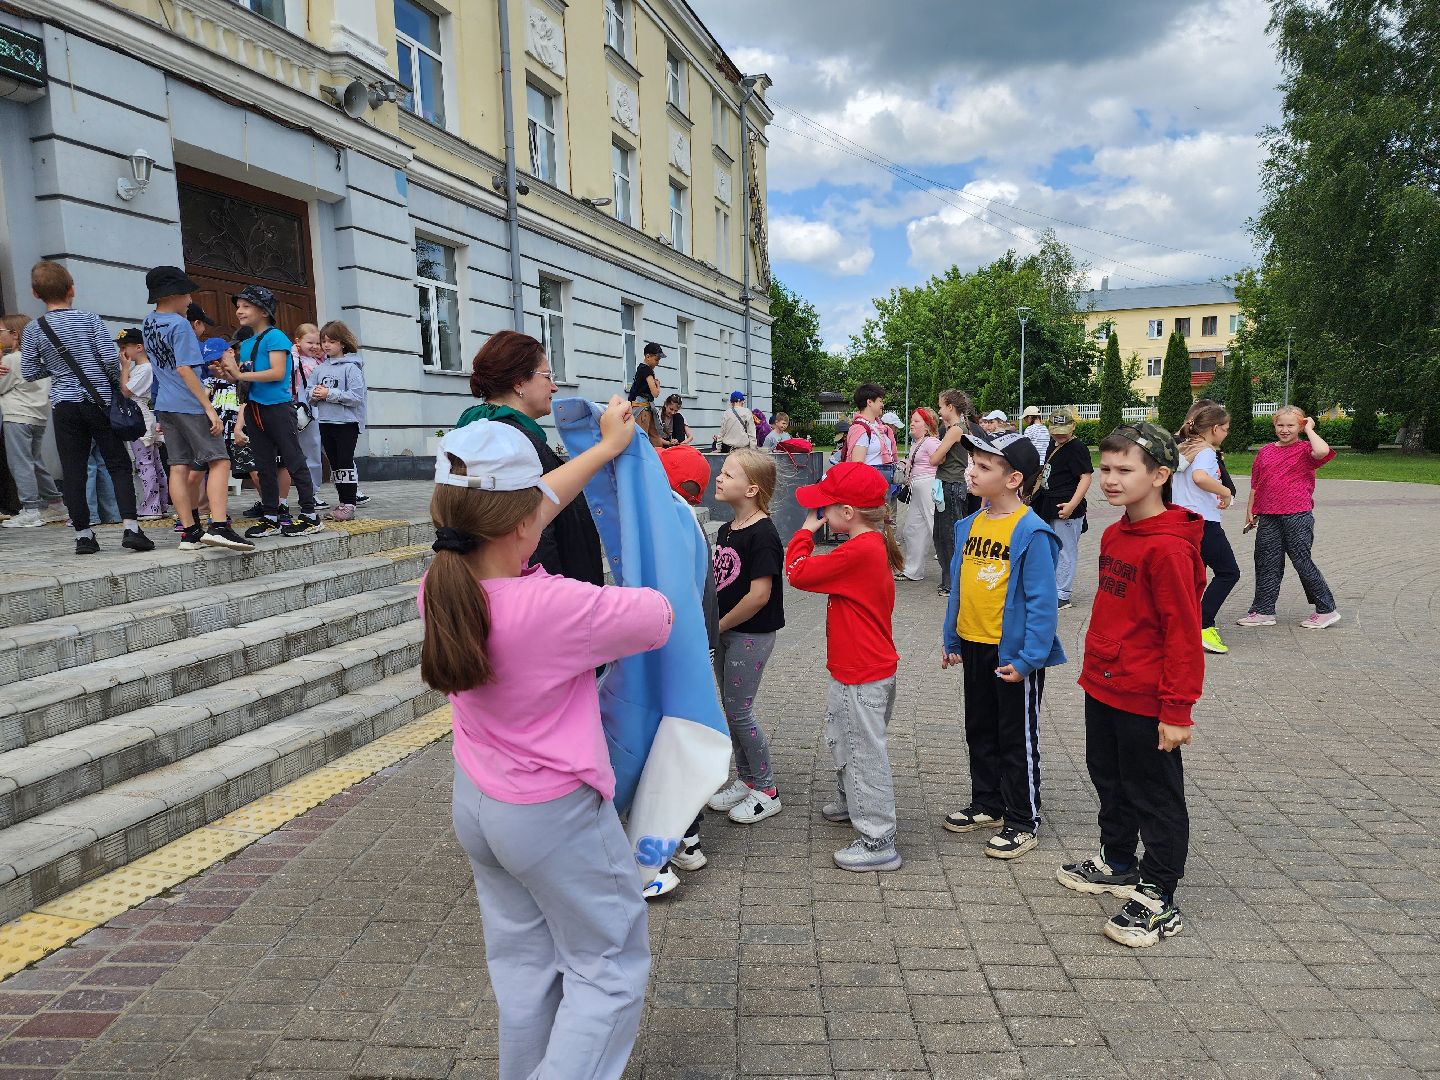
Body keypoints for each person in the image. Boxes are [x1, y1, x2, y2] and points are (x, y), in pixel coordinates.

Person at [420, 398, 664, 1080]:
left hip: (478, 805)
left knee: (524, 969)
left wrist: (602, 450)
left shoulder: (442, 586)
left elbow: (521, 513)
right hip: (552, 816)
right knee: (608, 970)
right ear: (524, 523)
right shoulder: (558, 607)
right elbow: (658, 615)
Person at [1059, 422, 1204, 948]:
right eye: (1105, 469)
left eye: (1125, 470)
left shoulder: (1169, 549)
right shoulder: (1119, 532)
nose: (1111, 479)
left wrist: (1177, 709)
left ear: (1161, 475)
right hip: (1103, 683)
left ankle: (1159, 895)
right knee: (1109, 777)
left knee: (1154, 793)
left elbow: (1184, 636)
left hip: (1147, 695)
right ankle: (1118, 859)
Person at [939, 427, 1063, 860]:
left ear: (1013, 479)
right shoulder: (968, 524)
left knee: (1016, 736)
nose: (971, 472)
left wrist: (1030, 658)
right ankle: (988, 802)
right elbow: (959, 586)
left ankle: (1023, 818)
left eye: (983, 466)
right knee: (980, 728)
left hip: (1013, 654)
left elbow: (1043, 604)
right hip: (974, 644)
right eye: (972, 463)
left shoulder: (1032, 531)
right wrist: (951, 636)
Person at [784, 462, 904, 872]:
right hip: (862, 668)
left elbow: (797, 573)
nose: (820, 514)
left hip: (862, 673)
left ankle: (877, 839)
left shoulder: (857, 550)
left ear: (848, 513)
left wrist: (804, 531)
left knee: (862, 749)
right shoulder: (870, 543)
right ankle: (851, 801)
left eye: (826, 508)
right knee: (844, 735)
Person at [19, 260, 153, 555]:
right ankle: (131, 528)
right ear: (72, 289)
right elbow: (109, 360)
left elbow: (29, 372)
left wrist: (57, 370)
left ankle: (83, 534)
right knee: (117, 462)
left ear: (35, 293)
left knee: (74, 468)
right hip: (100, 401)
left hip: (64, 404)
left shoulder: (33, 329)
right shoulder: (89, 319)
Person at [458, 330, 603, 587]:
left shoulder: (486, 433)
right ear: (518, 382)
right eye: (547, 376)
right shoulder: (509, 442)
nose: (554, 386)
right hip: (547, 606)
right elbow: (535, 544)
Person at [142, 266, 252, 551]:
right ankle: (218, 526)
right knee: (219, 460)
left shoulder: (149, 322)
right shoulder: (179, 325)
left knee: (178, 466)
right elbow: (185, 369)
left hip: (164, 403)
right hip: (188, 402)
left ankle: (190, 533)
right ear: (174, 294)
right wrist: (209, 408)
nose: (190, 299)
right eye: (187, 293)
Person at [705, 448, 786, 826]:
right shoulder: (725, 530)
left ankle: (767, 790)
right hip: (726, 633)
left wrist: (718, 626)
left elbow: (759, 595)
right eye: (721, 472)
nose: (719, 478)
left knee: (740, 712)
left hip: (749, 634)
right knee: (732, 710)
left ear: (752, 489)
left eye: (728, 474)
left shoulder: (764, 533)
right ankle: (747, 778)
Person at [223, 284, 322, 540]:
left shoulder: (276, 337)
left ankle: (310, 515)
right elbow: (247, 380)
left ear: (264, 311)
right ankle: (271, 516)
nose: (239, 312)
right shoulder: (246, 343)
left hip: (277, 408)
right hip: (255, 408)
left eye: (246, 306)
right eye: (238, 307)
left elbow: (277, 372)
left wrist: (240, 374)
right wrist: (229, 375)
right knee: (263, 463)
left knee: (293, 459)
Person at [1238, 406, 1340, 630]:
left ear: (1300, 426)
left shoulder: (1306, 449)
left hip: (1297, 514)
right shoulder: (1265, 451)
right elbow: (1256, 484)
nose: (1285, 430)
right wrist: (1250, 511)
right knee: (1266, 562)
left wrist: (1310, 429)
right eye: (1280, 425)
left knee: (1301, 561)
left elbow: (1323, 451)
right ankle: (1263, 611)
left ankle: (1326, 609)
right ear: (1274, 425)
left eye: (1291, 425)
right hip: (1268, 515)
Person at [1172, 404, 1240, 654]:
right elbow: (1200, 477)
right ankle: (1203, 624)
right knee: (1229, 572)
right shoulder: (1206, 451)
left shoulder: (1184, 448)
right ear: (1214, 428)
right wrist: (1225, 491)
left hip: (1182, 520)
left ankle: (1181, 626)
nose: (1226, 433)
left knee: (1192, 576)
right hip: (1203, 523)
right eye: (1225, 429)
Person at [0, 314, 65, 528]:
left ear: (14, 334)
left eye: (1, 332)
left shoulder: (10, 360)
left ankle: (30, 509)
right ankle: (55, 503)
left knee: (20, 463)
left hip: (17, 415)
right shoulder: (38, 357)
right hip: (38, 416)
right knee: (35, 461)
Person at [1032, 413, 1093, 610]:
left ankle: (1062, 594)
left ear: (1073, 427)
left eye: (1063, 432)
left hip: (1065, 506)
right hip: (1049, 503)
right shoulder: (1054, 442)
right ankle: (1052, 587)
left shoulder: (1077, 447)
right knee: (1050, 549)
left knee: (1065, 550)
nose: (1060, 436)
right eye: (1056, 432)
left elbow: (1085, 477)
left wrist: (1072, 505)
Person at [313, 320, 367, 521]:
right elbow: (310, 392)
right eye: (323, 341)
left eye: (332, 341)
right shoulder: (319, 369)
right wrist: (315, 394)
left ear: (343, 343)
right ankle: (343, 502)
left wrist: (329, 393)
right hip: (325, 422)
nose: (326, 345)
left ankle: (350, 503)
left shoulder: (351, 368)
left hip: (346, 424)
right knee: (335, 464)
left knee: (345, 462)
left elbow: (356, 397)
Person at [117, 328, 169, 520]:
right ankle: (160, 504)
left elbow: (125, 391)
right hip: (144, 420)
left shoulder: (145, 368)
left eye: (124, 348)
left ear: (139, 347)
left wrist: (124, 368)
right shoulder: (143, 368)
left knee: (145, 464)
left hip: (140, 422)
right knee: (154, 463)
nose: (122, 353)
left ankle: (151, 506)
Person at [930, 389, 977, 596]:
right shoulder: (955, 428)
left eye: (941, 406)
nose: (939, 410)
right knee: (941, 535)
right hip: (947, 485)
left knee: (948, 536)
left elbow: (934, 459)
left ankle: (952, 584)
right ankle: (949, 581)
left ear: (950, 407)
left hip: (951, 486)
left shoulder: (955, 430)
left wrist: (939, 454)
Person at [897, 408, 941, 581]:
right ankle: (912, 570)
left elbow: (940, 461)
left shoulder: (930, 442)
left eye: (916, 421)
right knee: (912, 529)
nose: (912, 423)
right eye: (912, 420)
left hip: (927, 486)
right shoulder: (919, 442)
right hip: (917, 488)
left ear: (927, 425)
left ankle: (952, 573)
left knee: (934, 527)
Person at [292, 322, 327, 507]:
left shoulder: (321, 361)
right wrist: (294, 353)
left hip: (321, 408)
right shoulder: (294, 359)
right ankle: (309, 492)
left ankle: (314, 490)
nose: (314, 347)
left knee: (316, 449)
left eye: (317, 343)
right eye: (309, 343)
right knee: (308, 450)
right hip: (303, 410)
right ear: (297, 342)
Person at [843, 384, 898, 486]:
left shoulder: (879, 426)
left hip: (885, 485)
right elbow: (857, 466)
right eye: (880, 401)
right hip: (871, 487)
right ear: (869, 402)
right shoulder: (860, 429)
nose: (883, 404)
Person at [628, 341, 663, 446]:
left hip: (643, 407)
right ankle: (658, 460)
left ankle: (658, 459)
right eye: (656, 359)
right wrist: (658, 385)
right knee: (643, 440)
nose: (658, 363)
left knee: (653, 438)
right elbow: (655, 393)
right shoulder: (647, 370)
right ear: (648, 356)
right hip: (643, 410)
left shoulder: (641, 369)